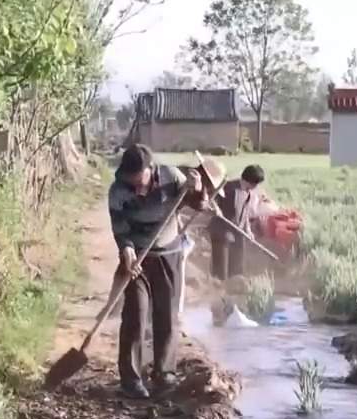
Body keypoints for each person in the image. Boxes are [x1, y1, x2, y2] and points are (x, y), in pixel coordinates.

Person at [108, 144, 205, 398]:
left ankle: (165, 373)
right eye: (131, 181)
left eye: (139, 180)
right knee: (136, 314)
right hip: (137, 258)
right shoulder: (118, 190)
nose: (136, 187)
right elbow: (119, 228)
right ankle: (131, 379)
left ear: (151, 170)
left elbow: (198, 204)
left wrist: (196, 190)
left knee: (167, 313)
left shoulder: (172, 177)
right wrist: (126, 250)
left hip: (167, 255)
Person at [209, 164, 266, 281]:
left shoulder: (249, 193)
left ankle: (235, 292)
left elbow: (245, 214)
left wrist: (249, 231)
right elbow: (210, 198)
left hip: (238, 233)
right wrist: (216, 208)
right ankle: (218, 291)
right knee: (221, 274)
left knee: (237, 271)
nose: (256, 187)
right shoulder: (228, 187)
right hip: (221, 233)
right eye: (255, 184)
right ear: (250, 181)